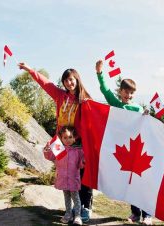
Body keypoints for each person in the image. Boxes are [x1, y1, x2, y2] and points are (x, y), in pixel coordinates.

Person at [18, 63, 94, 222]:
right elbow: (45, 83)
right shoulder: (60, 95)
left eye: (71, 79)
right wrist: (30, 69)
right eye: (66, 80)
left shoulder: (85, 100)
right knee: (64, 172)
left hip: (78, 143)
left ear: (77, 80)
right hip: (60, 141)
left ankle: (85, 208)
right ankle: (71, 209)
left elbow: (97, 117)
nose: (69, 83)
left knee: (82, 175)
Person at [95, 60, 153, 225]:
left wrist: (146, 116)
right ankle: (135, 213)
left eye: (131, 93)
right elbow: (105, 90)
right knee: (130, 183)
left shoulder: (137, 109)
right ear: (120, 92)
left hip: (139, 149)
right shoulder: (116, 104)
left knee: (142, 182)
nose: (128, 96)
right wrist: (100, 73)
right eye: (126, 92)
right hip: (124, 149)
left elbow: (147, 126)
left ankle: (147, 214)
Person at [43, 126, 84, 225]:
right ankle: (68, 214)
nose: (68, 140)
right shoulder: (59, 149)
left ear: (74, 138)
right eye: (65, 138)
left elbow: (81, 165)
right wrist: (47, 150)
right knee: (66, 196)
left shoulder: (78, 151)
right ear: (61, 138)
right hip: (62, 178)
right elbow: (50, 157)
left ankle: (78, 216)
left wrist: (83, 161)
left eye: (70, 137)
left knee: (76, 197)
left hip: (73, 179)